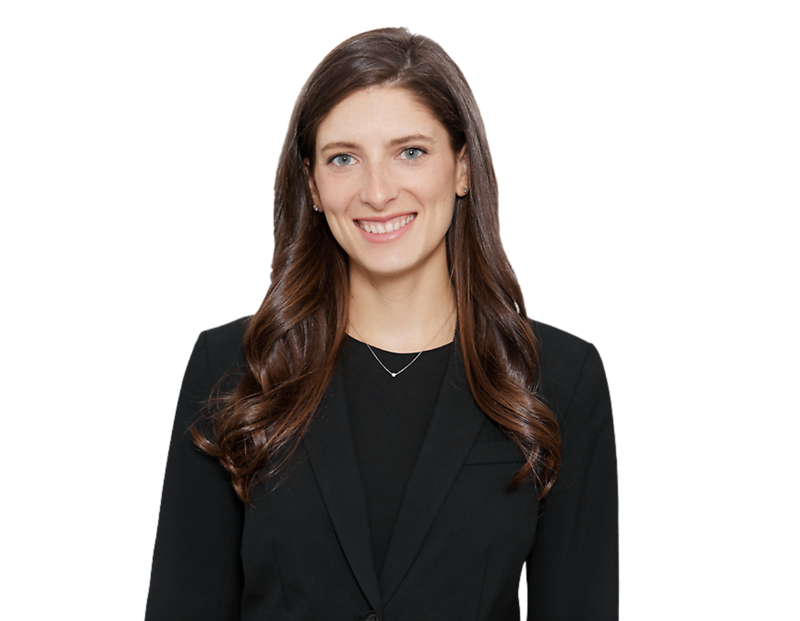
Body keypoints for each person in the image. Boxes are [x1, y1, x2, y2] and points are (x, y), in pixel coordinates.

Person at [146, 25, 619, 620]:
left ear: (463, 168)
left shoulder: (561, 378)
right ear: (312, 185)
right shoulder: (233, 367)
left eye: (410, 152)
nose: (377, 192)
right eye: (343, 158)